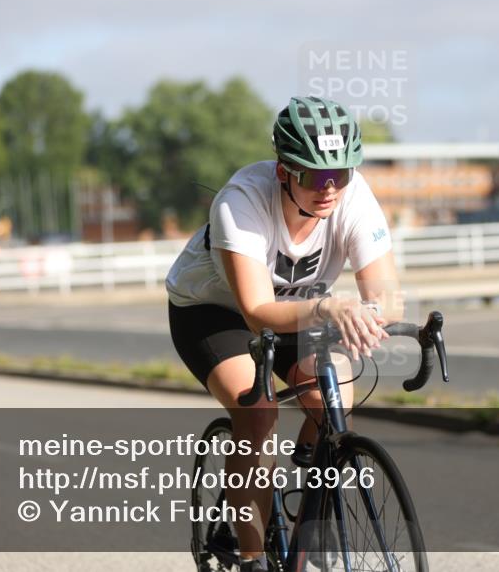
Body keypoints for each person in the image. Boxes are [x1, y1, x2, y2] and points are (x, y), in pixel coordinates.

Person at [165, 96, 402, 572]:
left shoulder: (353, 198)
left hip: (302, 309)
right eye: (315, 176)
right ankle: (251, 553)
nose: (330, 188)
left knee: (335, 398)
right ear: (283, 171)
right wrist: (330, 308)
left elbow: (386, 296)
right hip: (215, 312)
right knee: (259, 411)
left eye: (342, 174)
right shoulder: (241, 202)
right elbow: (255, 311)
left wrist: (370, 315)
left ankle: (311, 516)